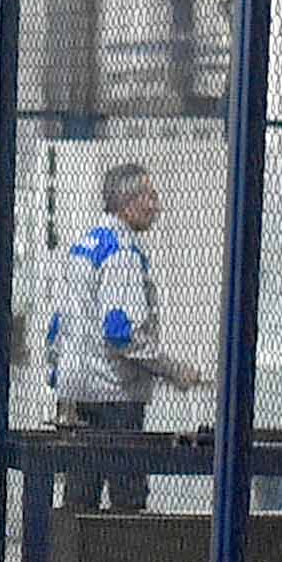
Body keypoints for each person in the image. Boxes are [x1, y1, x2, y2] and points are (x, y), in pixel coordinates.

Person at [41, 160, 193, 510]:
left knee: (81, 490)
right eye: (149, 196)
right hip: (115, 394)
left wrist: (59, 376)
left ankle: (73, 546)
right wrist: (172, 370)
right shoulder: (122, 253)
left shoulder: (84, 247)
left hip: (78, 391)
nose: (156, 205)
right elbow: (122, 334)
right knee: (128, 493)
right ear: (128, 204)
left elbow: (58, 325)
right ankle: (126, 546)